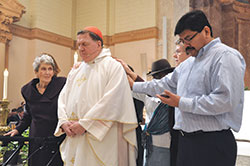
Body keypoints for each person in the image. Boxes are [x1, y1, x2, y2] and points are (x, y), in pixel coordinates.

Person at [131, 10, 246, 166]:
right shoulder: (188, 64)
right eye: (182, 40)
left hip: (212, 143)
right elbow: (162, 84)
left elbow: (225, 101)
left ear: (206, 31)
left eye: (188, 38)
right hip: (186, 142)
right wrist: (133, 85)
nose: (186, 45)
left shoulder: (225, 56)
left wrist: (181, 103)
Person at [54, 26, 138, 166]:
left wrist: (85, 124)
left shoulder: (112, 66)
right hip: (75, 135)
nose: (80, 48)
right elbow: (63, 98)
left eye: (85, 44)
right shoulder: (76, 70)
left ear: (98, 44)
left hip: (101, 138)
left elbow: (112, 100)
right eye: (78, 45)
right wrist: (63, 121)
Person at [4, 53, 66, 166]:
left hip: (56, 136)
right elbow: (28, 116)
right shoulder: (28, 90)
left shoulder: (61, 84)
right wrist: (17, 130)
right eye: (43, 69)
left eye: (50, 69)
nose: (47, 72)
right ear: (36, 72)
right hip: (36, 137)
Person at [118, 58, 174, 166]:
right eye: (155, 77)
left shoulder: (173, 92)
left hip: (165, 144)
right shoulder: (148, 95)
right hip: (148, 143)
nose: (156, 80)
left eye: (160, 76)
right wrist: (124, 72)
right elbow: (137, 87)